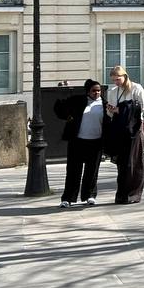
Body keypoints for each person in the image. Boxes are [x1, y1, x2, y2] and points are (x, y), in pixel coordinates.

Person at [55, 79, 106, 207]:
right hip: (77, 141)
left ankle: (90, 195)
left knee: (92, 170)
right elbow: (58, 106)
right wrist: (68, 116)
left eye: (99, 90)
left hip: (96, 142)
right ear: (88, 91)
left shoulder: (105, 104)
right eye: (94, 91)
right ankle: (68, 198)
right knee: (73, 170)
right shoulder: (77, 101)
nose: (97, 93)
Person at [105, 66, 144, 205]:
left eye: (118, 79)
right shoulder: (113, 92)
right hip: (120, 129)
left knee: (134, 162)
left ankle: (133, 193)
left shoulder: (136, 88)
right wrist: (112, 110)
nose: (116, 82)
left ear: (124, 76)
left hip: (134, 129)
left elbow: (143, 107)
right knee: (122, 163)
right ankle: (122, 194)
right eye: (114, 80)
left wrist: (123, 109)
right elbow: (110, 112)